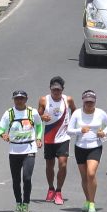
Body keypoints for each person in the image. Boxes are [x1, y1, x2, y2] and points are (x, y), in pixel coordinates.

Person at [0, 90, 44, 212]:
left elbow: (39, 126)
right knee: (16, 180)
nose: (19, 101)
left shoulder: (32, 112)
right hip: (14, 151)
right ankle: (18, 203)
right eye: (17, 98)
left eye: (22, 98)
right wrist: (3, 135)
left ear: (26, 99)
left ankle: (26, 205)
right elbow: (0, 129)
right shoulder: (9, 113)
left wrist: (39, 139)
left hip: (29, 149)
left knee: (27, 178)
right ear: (13, 99)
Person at [66, 89, 107, 212]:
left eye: (91, 102)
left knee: (91, 174)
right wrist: (80, 131)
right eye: (87, 102)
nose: (89, 105)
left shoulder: (100, 113)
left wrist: (103, 133)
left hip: (95, 146)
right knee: (84, 177)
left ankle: (92, 203)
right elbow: (69, 130)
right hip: (80, 147)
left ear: (95, 102)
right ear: (83, 102)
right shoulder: (77, 114)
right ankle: (87, 200)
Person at [39, 76, 76, 205]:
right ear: (50, 89)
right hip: (49, 138)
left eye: (58, 90)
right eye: (54, 90)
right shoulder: (44, 100)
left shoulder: (68, 100)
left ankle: (59, 191)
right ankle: (51, 188)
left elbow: (75, 112)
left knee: (63, 164)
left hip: (64, 137)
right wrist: (43, 116)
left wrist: (73, 124)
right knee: (50, 165)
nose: (56, 93)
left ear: (62, 90)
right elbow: (38, 115)